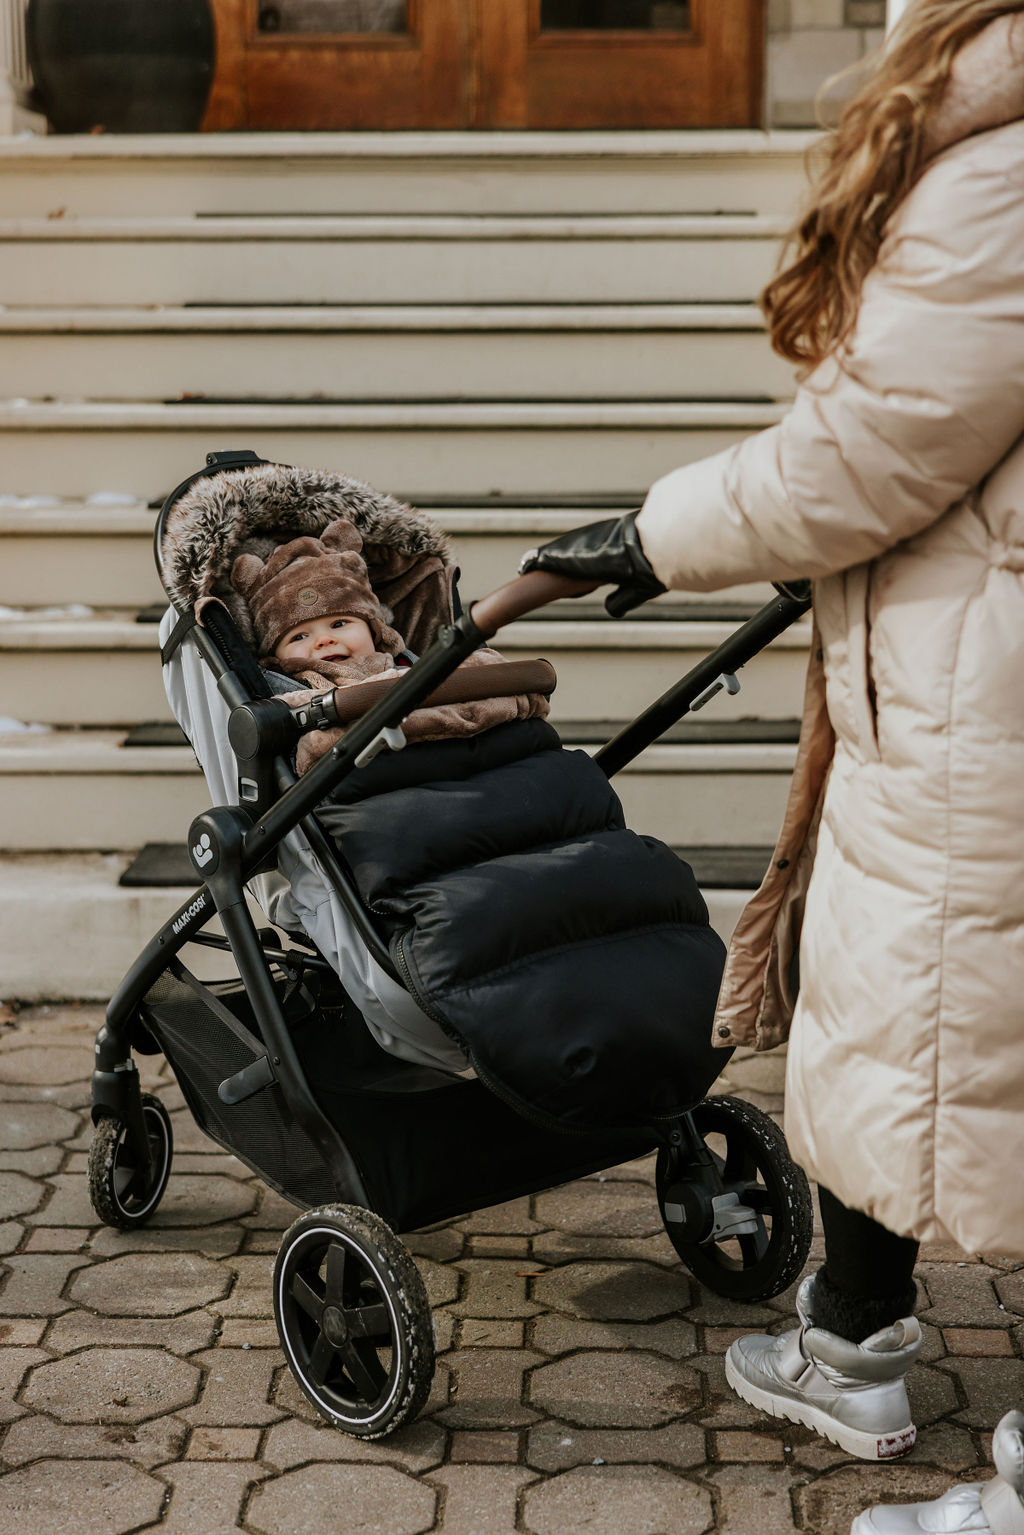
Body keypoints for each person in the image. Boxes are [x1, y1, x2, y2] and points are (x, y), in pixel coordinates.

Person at [522, 1, 1024, 1526]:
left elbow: (868, 448)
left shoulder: (1006, 169)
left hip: (983, 705)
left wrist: (651, 535)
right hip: (951, 683)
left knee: (952, 1020)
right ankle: (850, 1337)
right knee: (901, 1012)